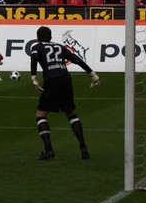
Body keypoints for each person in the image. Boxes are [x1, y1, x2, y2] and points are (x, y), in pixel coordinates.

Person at [30, 26, 100, 160]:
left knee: (41, 114)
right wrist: (93, 74)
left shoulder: (37, 46)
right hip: (66, 79)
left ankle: (48, 150)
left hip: (51, 80)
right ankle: (83, 147)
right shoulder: (60, 46)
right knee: (71, 113)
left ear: (38, 38)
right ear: (50, 37)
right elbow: (77, 60)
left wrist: (33, 77)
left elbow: (34, 59)